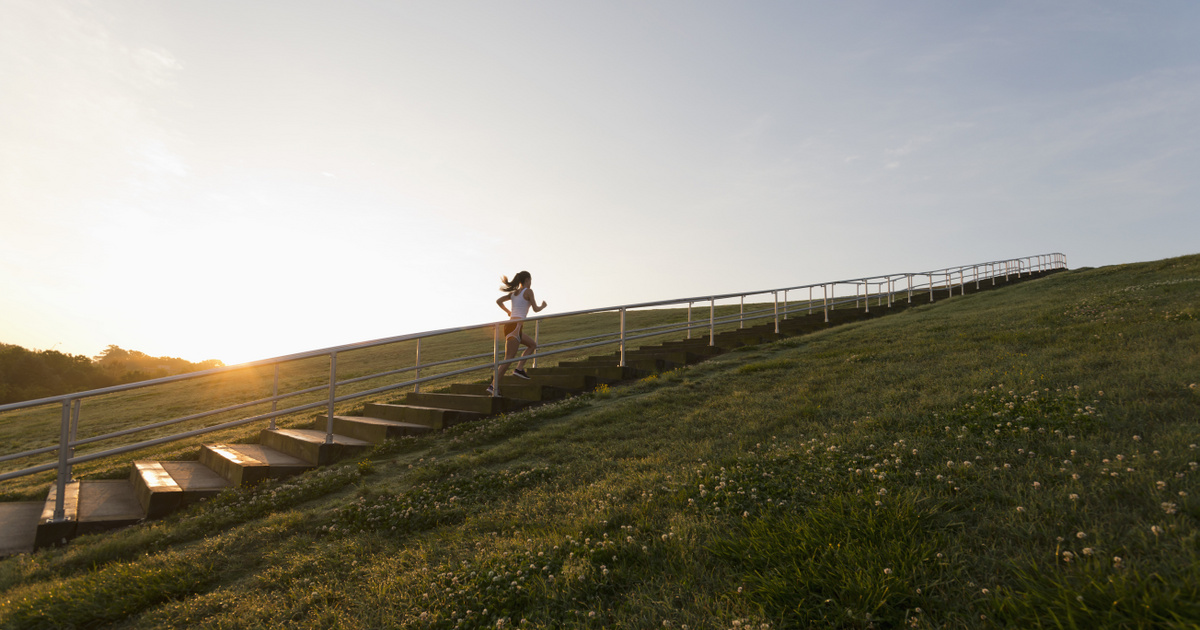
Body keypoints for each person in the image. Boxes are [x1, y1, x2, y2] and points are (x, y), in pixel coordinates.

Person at [488, 270, 548, 396]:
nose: (531, 283)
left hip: (513, 326)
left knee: (532, 345)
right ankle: (493, 386)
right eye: (530, 280)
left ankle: (519, 369)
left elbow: (498, 301)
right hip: (515, 326)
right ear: (527, 280)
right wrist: (543, 306)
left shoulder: (514, 293)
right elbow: (536, 309)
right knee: (508, 359)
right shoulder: (528, 291)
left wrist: (508, 312)